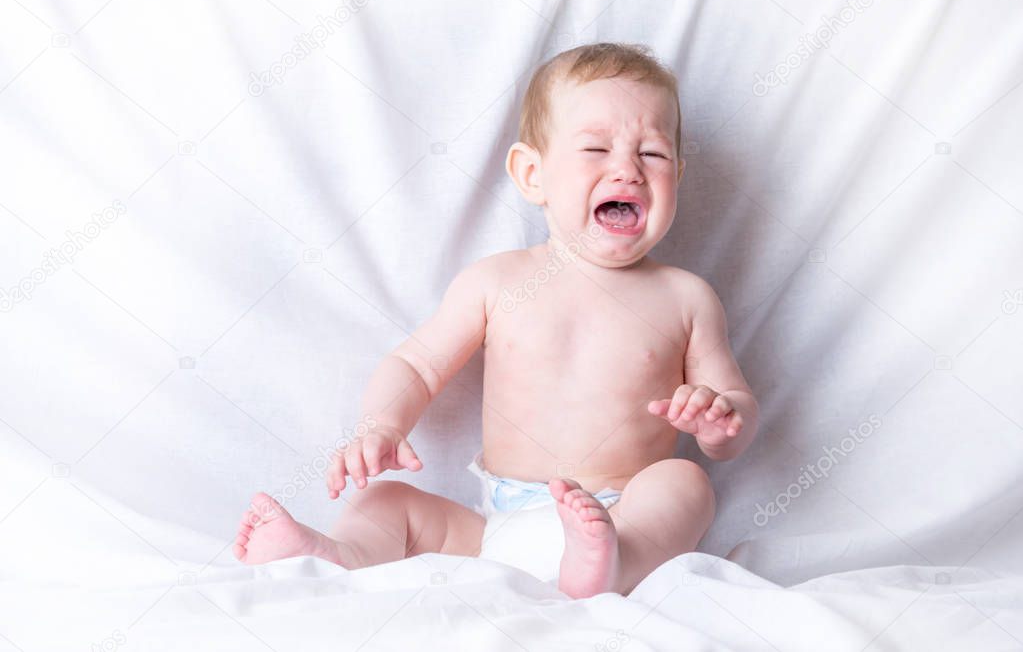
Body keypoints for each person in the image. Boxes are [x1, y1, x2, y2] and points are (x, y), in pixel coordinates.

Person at [232, 42, 759, 599]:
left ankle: (614, 564)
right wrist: (382, 425)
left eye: (651, 155)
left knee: (685, 483)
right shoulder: (495, 282)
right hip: (493, 529)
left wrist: (719, 422)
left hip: (623, 511)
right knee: (387, 503)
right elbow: (417, 363)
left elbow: (735, 409)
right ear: (532, 174)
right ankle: (338, 554)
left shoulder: (686, 297)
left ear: (677, 174)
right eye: (597, 149)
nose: (626, 170)